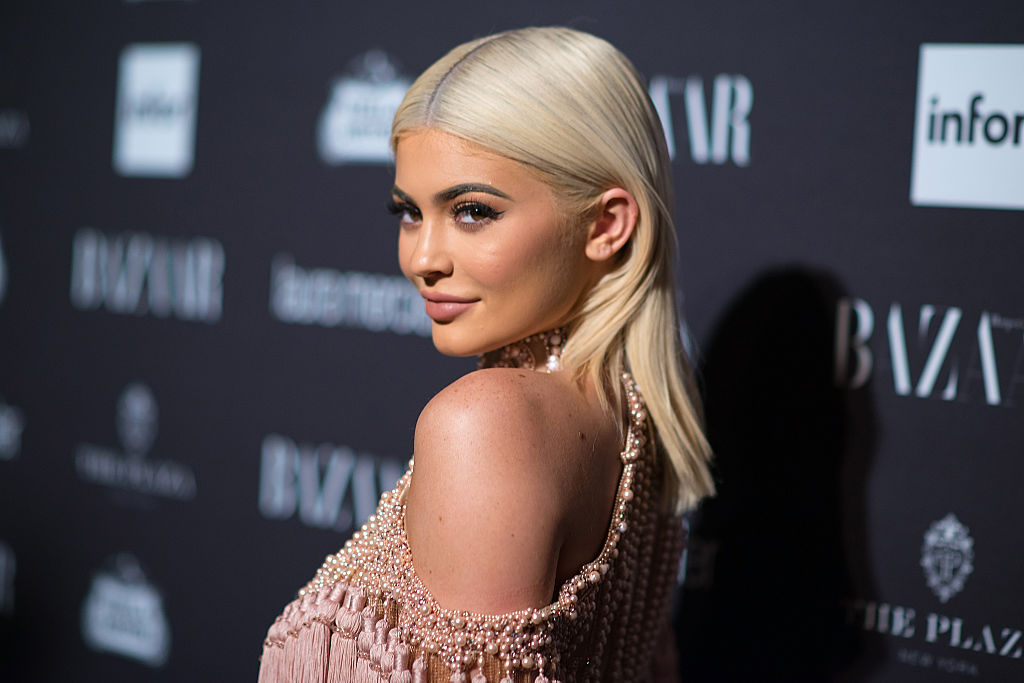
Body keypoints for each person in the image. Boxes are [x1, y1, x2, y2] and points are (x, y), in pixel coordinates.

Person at [258, 26, 714, 683]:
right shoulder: (636, 414)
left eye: (472, 211)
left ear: (607, 224)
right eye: (408, 212)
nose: (422, 259)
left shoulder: (488, 424)